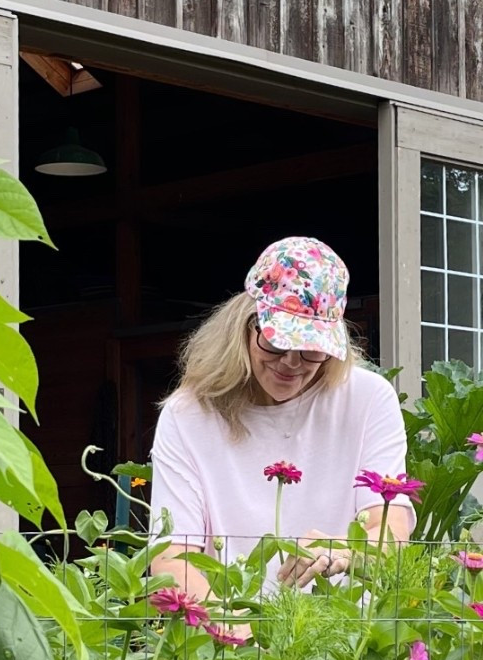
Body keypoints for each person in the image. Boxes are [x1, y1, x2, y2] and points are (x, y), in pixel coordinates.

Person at [148, 238, 415, 611]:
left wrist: (344, 549)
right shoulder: (189, 415)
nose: (291, 363)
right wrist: (230, 631)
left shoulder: (369, 399)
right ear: (244, 326)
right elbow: (172, 556)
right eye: (275, 342)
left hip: (344, 647)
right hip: (225, 644)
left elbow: (391, 532)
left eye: (311, 348)